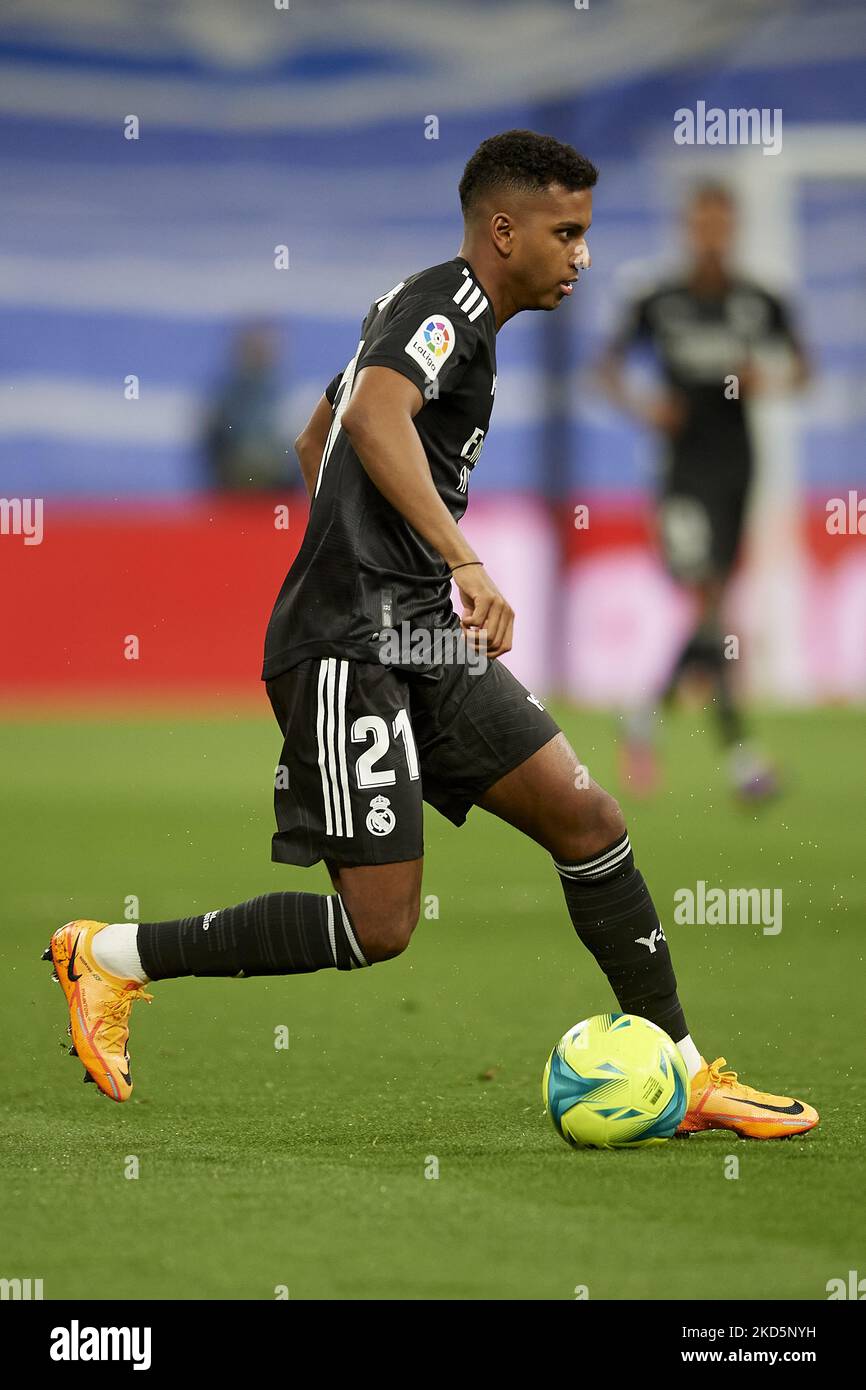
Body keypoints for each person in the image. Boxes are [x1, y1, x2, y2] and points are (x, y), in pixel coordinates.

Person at [46, 132, 817, 1139]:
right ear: (504, 230)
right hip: (348, 646)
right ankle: (107, 956)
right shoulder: (448, 303)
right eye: (565, 232)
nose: (581, 255)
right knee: (380, 925)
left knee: (585, 818)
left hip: (415, 636)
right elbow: (368, 413)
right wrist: (452, 559)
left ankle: (681, 1075)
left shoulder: (429, 311)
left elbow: (314, 436)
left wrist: (374, 548)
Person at [598, 184, 810, 799]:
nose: (712, 234)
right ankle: (743, 758)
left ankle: (643, 718)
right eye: (703, 223)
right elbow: (606, 368)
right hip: (683, 474)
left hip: (739, 468)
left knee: (712, 607)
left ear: (734, 228)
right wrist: (644, 406)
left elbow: (803, 368)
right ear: (689, 228)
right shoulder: (661, 301)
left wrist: (765, 378)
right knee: (711, 598)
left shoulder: (759, 301)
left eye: (722, 224)